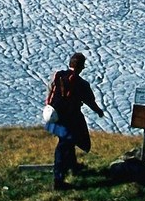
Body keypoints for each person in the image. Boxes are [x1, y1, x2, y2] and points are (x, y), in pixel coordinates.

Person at [45, 52, 105, 190]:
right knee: (64, 145)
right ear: (82, 67)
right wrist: (99, 112)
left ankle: (73, 167)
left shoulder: (57, 75)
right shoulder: (82, 84)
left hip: (54, 117)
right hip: (71, 119)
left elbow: (50, 91)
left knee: (67, 141)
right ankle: (58, 180)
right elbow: (90, 101)